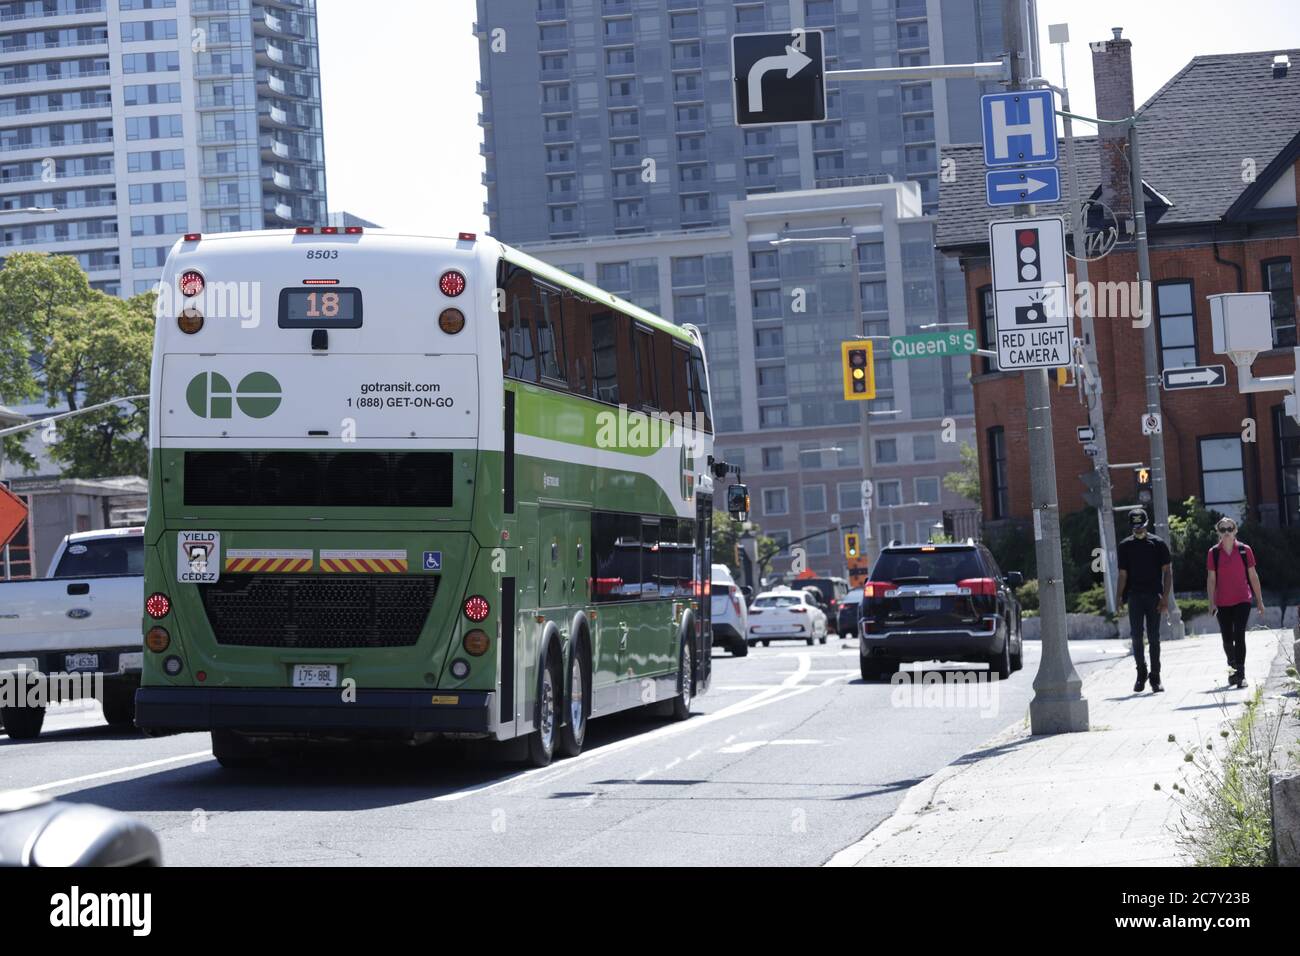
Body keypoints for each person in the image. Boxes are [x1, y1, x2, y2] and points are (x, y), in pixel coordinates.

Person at [1206, 517, 1266, 689]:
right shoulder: (1214, 553)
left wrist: (1259, 601)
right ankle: (1232, 666)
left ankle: (1241, 675)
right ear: (1218, 532)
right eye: (1223, 529)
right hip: (1222, 601)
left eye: (1229, 529)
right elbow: (1211, 580)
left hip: (1242, 599)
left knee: (1239, 635)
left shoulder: (1244, 550)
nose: (1226, 533)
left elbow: (1253, 576)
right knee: (1227, 638)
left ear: (1235, 530)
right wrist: (1211, 603)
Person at [1116, 509, 1172, 693]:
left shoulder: (1158, 544)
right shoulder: (1125, 546)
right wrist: (1119, 597)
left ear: (1146, 524)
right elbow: (1122, 574)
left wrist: (1165, 598)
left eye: (1141, 526)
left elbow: (1167, 572)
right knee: (1136, 636)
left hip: (1154, 596)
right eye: (1135, 527)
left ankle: (1155, 677)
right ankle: (1141, 672)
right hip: (1134, 596)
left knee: (1154, 637)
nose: (1138, 529)